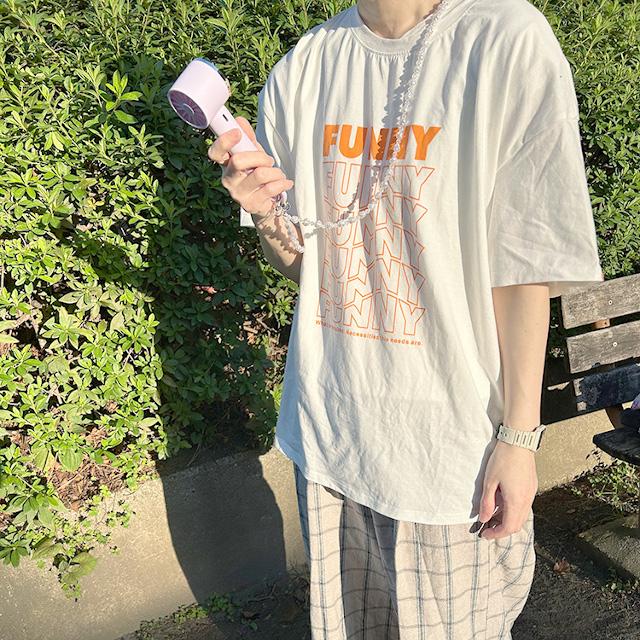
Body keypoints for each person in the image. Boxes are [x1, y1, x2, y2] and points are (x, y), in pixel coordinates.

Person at [208, 0, 604, 637]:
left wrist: (520, 436)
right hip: (330, 435)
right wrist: (262, 214)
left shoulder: (502, 39)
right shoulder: (303, 67)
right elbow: (308, 266)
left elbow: (523, 263)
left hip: (450, 454)